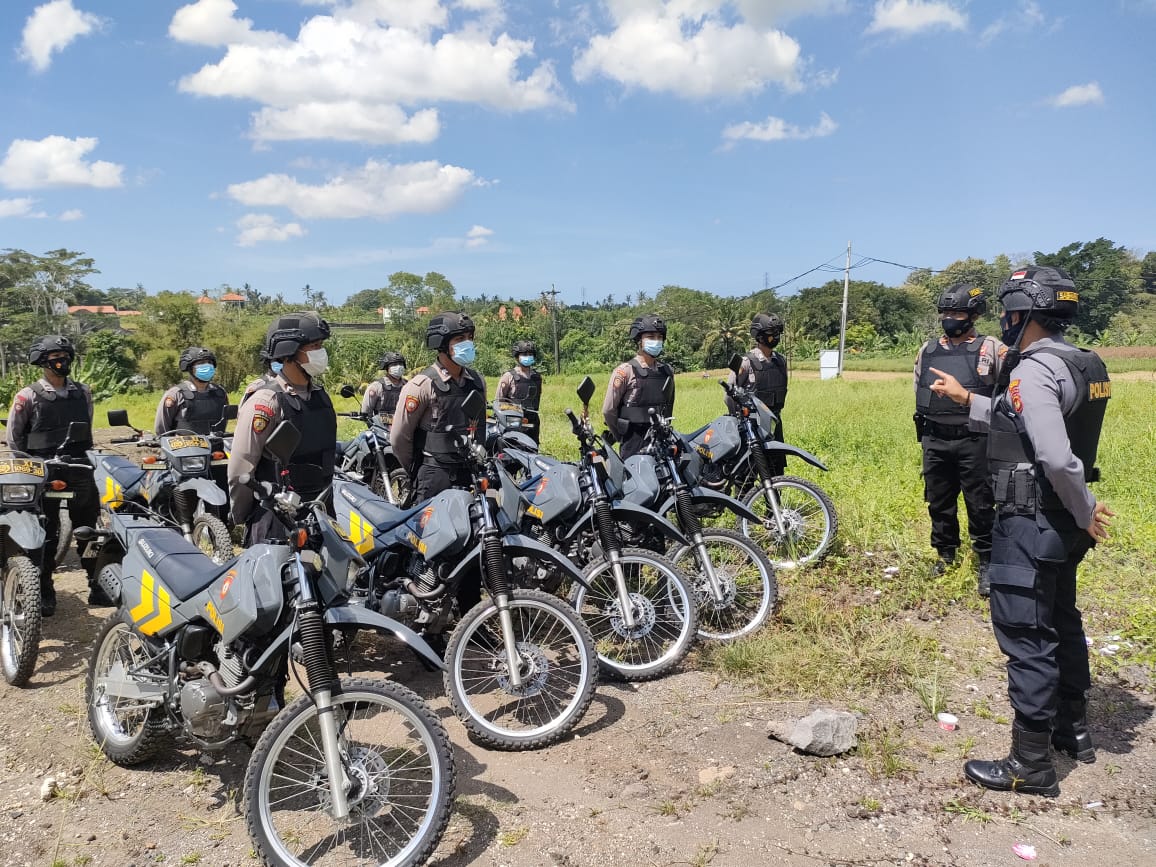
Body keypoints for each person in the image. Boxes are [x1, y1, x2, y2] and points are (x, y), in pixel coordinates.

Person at [928, 266, 1113, 797]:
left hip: (1032, 518)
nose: (1005, 321)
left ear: (1028, 313)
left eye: (1011, 312)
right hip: (1060, 526)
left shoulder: (1032, 368)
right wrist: (970, 400)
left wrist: (1085, 507)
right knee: (1061, 618)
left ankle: (1030, 763)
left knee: (1027, 634)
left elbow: (1055, 454)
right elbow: (1026, 421)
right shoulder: (1083, 361)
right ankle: (1072, 730)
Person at [913, 284, 1006, 595]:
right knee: (938, 501)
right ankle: (945, 554)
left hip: (975, 438)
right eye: (946, 313)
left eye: (958, 313)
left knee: (980, 503)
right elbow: (919, 389)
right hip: (935, 437)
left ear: (974, 315)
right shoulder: (927, 350)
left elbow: (1007, 397)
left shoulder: (990, 348)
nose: (950, 318)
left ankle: (987, 562)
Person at [5, 335, 102, 614]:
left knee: (89, 530)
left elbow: (88, 428)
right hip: (41, 469)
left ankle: (96, 583)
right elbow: (15, 440)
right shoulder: (28, 396)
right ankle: (44, 589)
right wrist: (30, 468)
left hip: (78, 466)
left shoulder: (82, 392)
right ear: (43, 362)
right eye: (55, 358)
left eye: (65, 356)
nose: (62, 362)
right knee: (45, 532)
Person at [228, 312, 336, 545]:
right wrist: (243, 514)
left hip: (321, 511)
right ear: (290, 352)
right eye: (314, 346)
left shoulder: (320, 397)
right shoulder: (266, 402)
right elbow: (241, 468)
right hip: (277, 518)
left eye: (321, 346)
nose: (321, 353)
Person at [390, 312, 486, 505]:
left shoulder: (477, 381)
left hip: (469, 473)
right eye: (459, 339)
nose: (467, 344)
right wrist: (417, 469)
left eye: (469, 338)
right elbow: (399, 437)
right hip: (434, 475)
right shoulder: (422, 385)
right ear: (441, 344)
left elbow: (479, 425)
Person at [602, 314, 675, 460]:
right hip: (633, 441)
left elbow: (669, 406)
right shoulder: (625, 371)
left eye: (660, 337)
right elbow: (609, 410)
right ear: (639, 340)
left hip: (660, 439)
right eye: (651, 336)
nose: (656, 341)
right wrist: (620, 435)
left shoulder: (667, 371)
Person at [726, 313, 790, 475]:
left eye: (777, 333)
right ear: (759, 336)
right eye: (771, 333)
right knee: (745, 475)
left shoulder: (780, 361)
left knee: (776, 473)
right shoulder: (746, 362)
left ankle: (775, 501)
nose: (775, 337)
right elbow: (729, 395)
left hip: (774, 425)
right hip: (750, 427)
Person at [154, 347, 229, 436]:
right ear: (189, 368)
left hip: (216, 447)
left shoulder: (220, 393)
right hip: (184, 447)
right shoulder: (176, 394)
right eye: (201, 363)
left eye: (210, 363)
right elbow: (162, 429)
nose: (207, 366)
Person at [497, 340, 542, 443]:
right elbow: (499, 401)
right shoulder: (508, 376)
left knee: (532, 450)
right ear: (517, 356)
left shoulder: (537, 377)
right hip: (513, 421)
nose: (528, 356)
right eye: (524, 354)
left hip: (533, 421)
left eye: (530, 354)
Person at [361, 351, 408, 420]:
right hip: (381, 427)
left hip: (404, 426)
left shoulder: (408, 385)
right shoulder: (376, 387)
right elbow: (366, 411)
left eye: (400, 364)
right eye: (394, 364)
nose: (398, 366)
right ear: (386, 367)